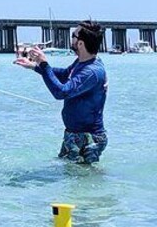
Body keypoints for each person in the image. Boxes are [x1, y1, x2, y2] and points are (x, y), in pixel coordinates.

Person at [15, 20, 108, 163]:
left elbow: (61, 92)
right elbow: (65, 74)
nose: (71, 38)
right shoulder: (81, 62)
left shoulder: (92, 71)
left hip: (87, 137)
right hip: (74, 134)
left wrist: (44, 63)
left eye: (74, 35)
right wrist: (34, 66)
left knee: (84, 179)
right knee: (70, 176)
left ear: (81, 44)